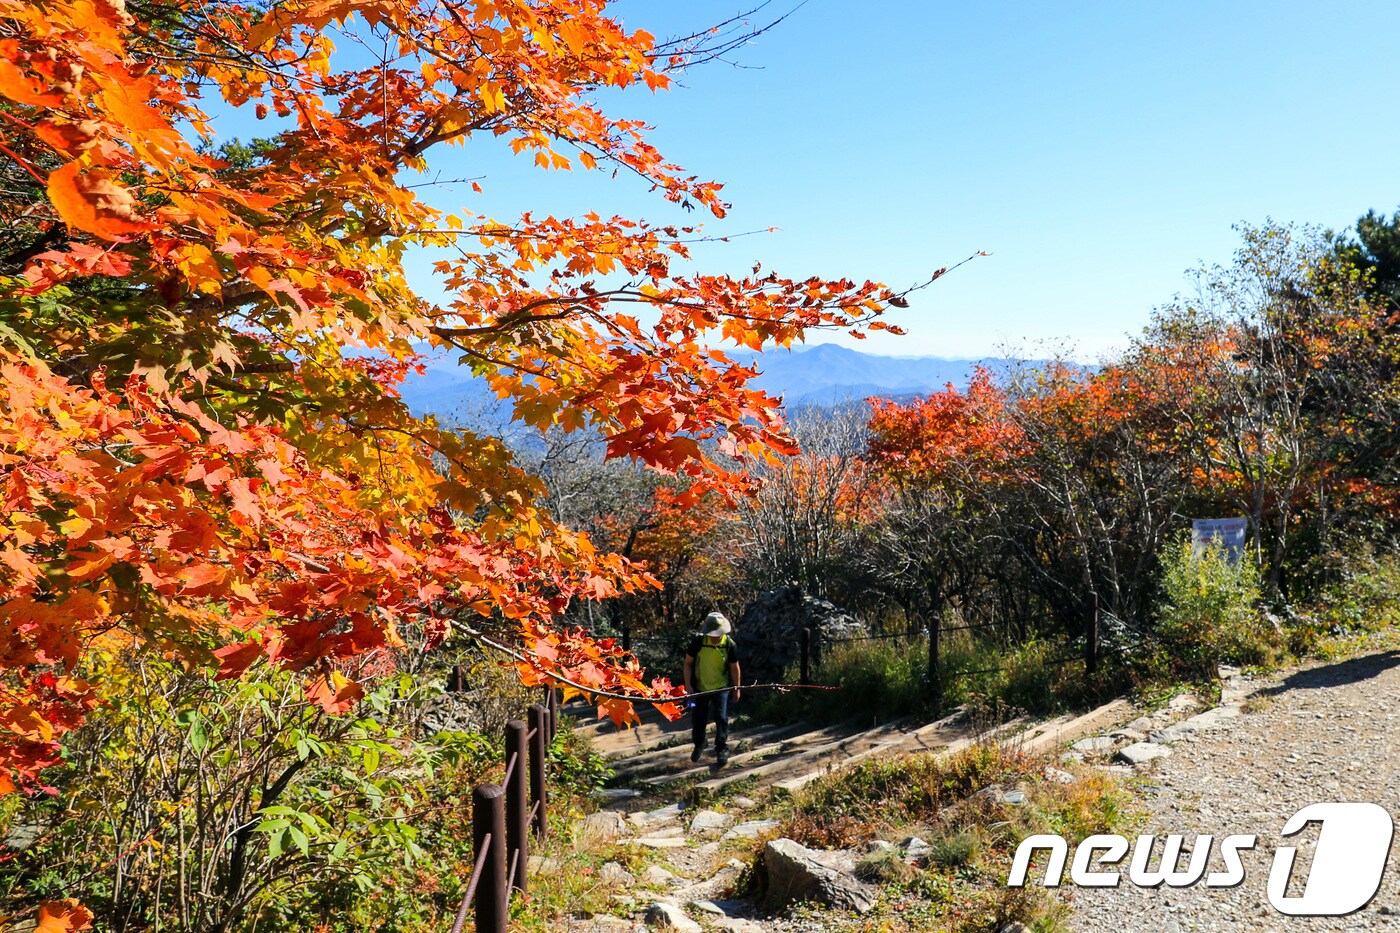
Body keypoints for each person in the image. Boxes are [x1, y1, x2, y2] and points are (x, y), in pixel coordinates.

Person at [683, 611, 742, 766]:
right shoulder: (699, 642)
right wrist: (688, 686)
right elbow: (688, 663)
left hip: (720, 686)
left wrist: (737, 687)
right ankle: (700, 743)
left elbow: (734, 667)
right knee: (698, 717)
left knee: (721, 717)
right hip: (700, 686)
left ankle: (722, 748)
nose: (715, 636)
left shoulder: (729, 644)